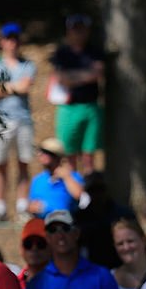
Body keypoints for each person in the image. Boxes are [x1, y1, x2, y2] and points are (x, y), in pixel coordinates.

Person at [0, 22, 36, 222]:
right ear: (1, 41)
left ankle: (22, 206)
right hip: (0, 122)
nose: (12, 43)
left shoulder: (27, 65)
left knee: (23, 164)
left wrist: (4, 87)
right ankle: (0, 209)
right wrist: (14, 87)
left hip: (23, 120)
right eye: (8, 38)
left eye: (15, 38)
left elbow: (25, 87)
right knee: (0, 166)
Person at [51, 14, 104, 174]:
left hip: (91, 107)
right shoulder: (62, 53)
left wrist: (74, 76)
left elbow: (98, 73)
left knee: (89, 156)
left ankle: (89, 192)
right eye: (75, 29)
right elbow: (62, 79)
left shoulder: (94, 51)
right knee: (69, 155)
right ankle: (73, 190)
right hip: (68, 108)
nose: (79, 33)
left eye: (82, 29)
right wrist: (85, 75)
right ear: (69, 31)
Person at [75, 172, 135, 270]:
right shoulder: (80, 218)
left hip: (121, 268)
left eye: (100, 189)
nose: (97, 194)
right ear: (87, 192)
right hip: (91, 271)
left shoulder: (123, 214)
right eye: (93, 190)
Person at [27, 137, 88, 220]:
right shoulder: (37, 180)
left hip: (66, 224)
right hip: (43, 224)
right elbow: (31, 205)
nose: (41, 154)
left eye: (46, 152)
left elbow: (80, 196)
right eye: (41, 151)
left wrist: (67, 177)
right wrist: (31, 208)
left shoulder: (72, 176)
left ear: (57, 156)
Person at [19, 218, 51, 289]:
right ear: (21, 248)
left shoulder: (62, 283)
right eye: (28, 244)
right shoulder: (14, 284)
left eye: (40, 244)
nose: (34, 248)